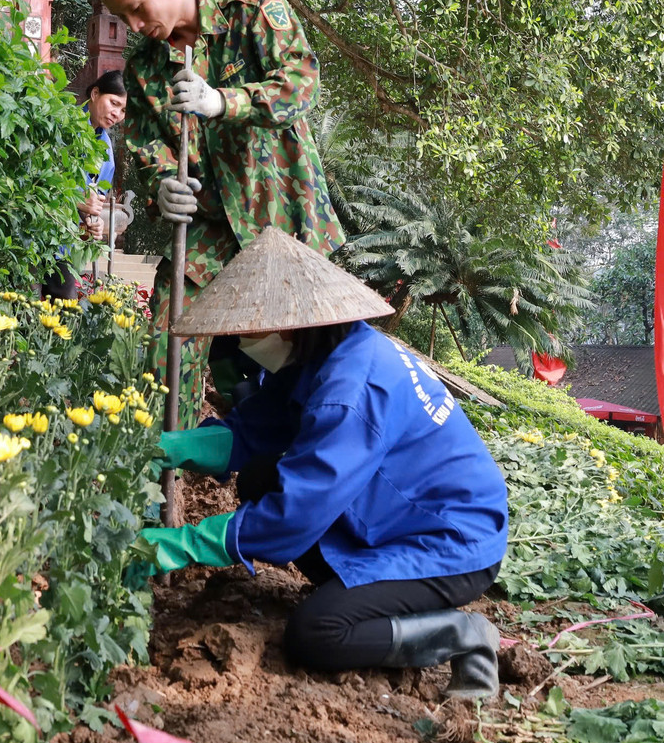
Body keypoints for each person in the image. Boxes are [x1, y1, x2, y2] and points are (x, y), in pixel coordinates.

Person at [129, 229, 509, 699]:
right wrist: (155, 445)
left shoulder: (350, 392)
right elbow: (251, 432)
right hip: (398, 513)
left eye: (247, 330)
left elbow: (295, 517)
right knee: (260, 478)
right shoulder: (324, 354)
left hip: (450, 539)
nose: (242, 342)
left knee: (317, 633)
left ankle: (460, 635)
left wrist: (178, 545)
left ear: (286, 324)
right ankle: (366, 597)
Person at [92, 0, 345, 424]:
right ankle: (164, 473)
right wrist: (163, 182)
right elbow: (146, 142)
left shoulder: (251, 6)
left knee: (314, 360)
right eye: (122, 17)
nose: (135, 25)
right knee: (170, 342)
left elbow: (301, 84)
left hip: (283, 217)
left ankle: (307, 470)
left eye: (139, 9)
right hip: (206, 227)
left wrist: (223, 101)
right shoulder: (144, 63)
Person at [42, 70, 128, 299]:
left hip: (64, 246)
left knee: (63, 316)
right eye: (114, 103)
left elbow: (93, 204)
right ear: (95, 93)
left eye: (123, 110)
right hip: (33, 237)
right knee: (22, 312)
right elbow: (36, 178)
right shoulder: (60, 122)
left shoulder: (107, 155)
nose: (116, 114)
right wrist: (79, 199)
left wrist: (94, 222)